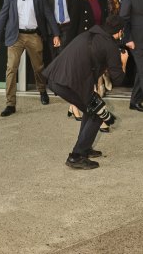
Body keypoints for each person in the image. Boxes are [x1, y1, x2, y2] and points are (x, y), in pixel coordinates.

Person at [43, 15, 128, 170]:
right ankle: (76, 156)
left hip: (57, 77)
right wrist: (123, 62)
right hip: (67, 83)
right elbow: (118, 79)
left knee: (90, 109)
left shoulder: (91, 34)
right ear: (119, 31)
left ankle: (85, 146)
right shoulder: (110, 45)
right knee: (97, 113)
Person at [0, 0, 60, 117]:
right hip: (15, 36)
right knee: (11, 69)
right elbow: (2, 18)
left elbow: (49, 15)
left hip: (34, 35)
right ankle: (10, 104)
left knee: (39, 67)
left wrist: (56, 34)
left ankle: (42, 91)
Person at [68, 0, 110, 128]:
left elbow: (105, 24)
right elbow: (73, 28)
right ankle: (99, 117)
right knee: (88, 82)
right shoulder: (78, 1)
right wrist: (69, 49)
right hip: (83, 44)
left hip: (98, 44)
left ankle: (75, 106)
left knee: (96, 81)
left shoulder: (102, 0)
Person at [42, 0, 77, 64]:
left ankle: (63, 79)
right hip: (51, 28)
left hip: (67, 26)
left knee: (66, 57)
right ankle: (52, 79)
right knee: (51, 58)